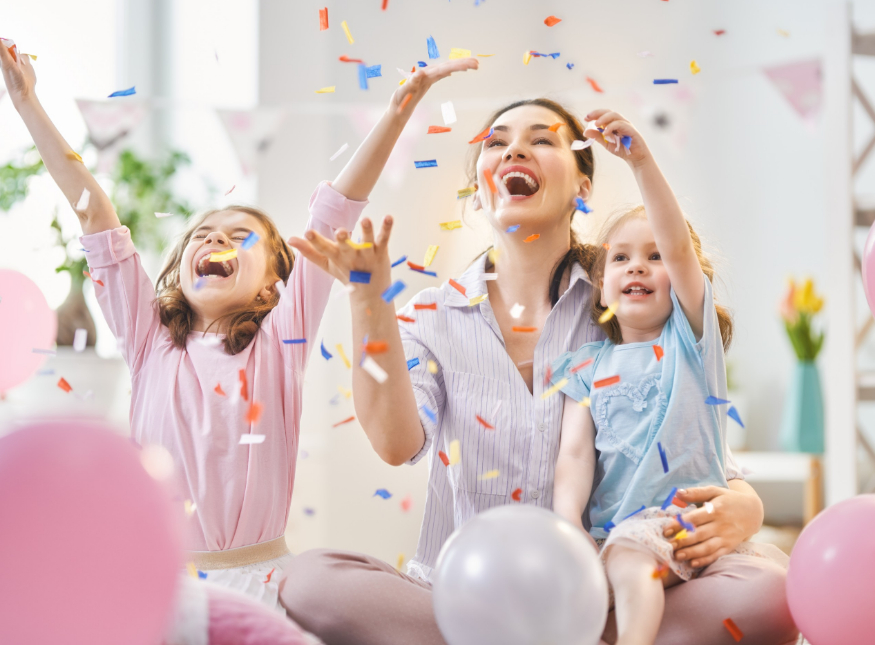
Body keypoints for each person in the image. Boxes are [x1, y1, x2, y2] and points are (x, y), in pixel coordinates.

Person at [280, 95, 799, 644]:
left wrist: (744, 502)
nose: (514, 150)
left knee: (767, 589)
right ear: (480, 190)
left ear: (583, 187)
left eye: (542, 139)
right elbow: (394, 442)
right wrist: (369, 304)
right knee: (311, 581)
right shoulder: (429, 316)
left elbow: (683, 440)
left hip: (596, 589)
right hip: (459, 595)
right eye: (497, 142)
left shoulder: (626, 303)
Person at [0, 34, 477, 610]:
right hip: (160, 584)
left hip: (263, 584)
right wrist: (26, 101)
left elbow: (337, 206)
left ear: (275, 283)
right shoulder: (148, 338)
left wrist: (401, 107)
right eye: (203, 235)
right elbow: (94, 211)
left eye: (239, 235)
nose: (217, 237)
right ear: (179, 273)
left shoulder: (282, 337)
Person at [552, 110, 787, 645]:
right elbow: (573, 456)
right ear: (601, 283)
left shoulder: (689, 342)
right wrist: (567, 528)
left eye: (654, 257)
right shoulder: (585, 367)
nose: (637, 266)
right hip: (612, 532)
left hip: (683, 525)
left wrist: (640, 160)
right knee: (596, 579)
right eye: (621, 258)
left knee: (632, 560)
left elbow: (680, 247)